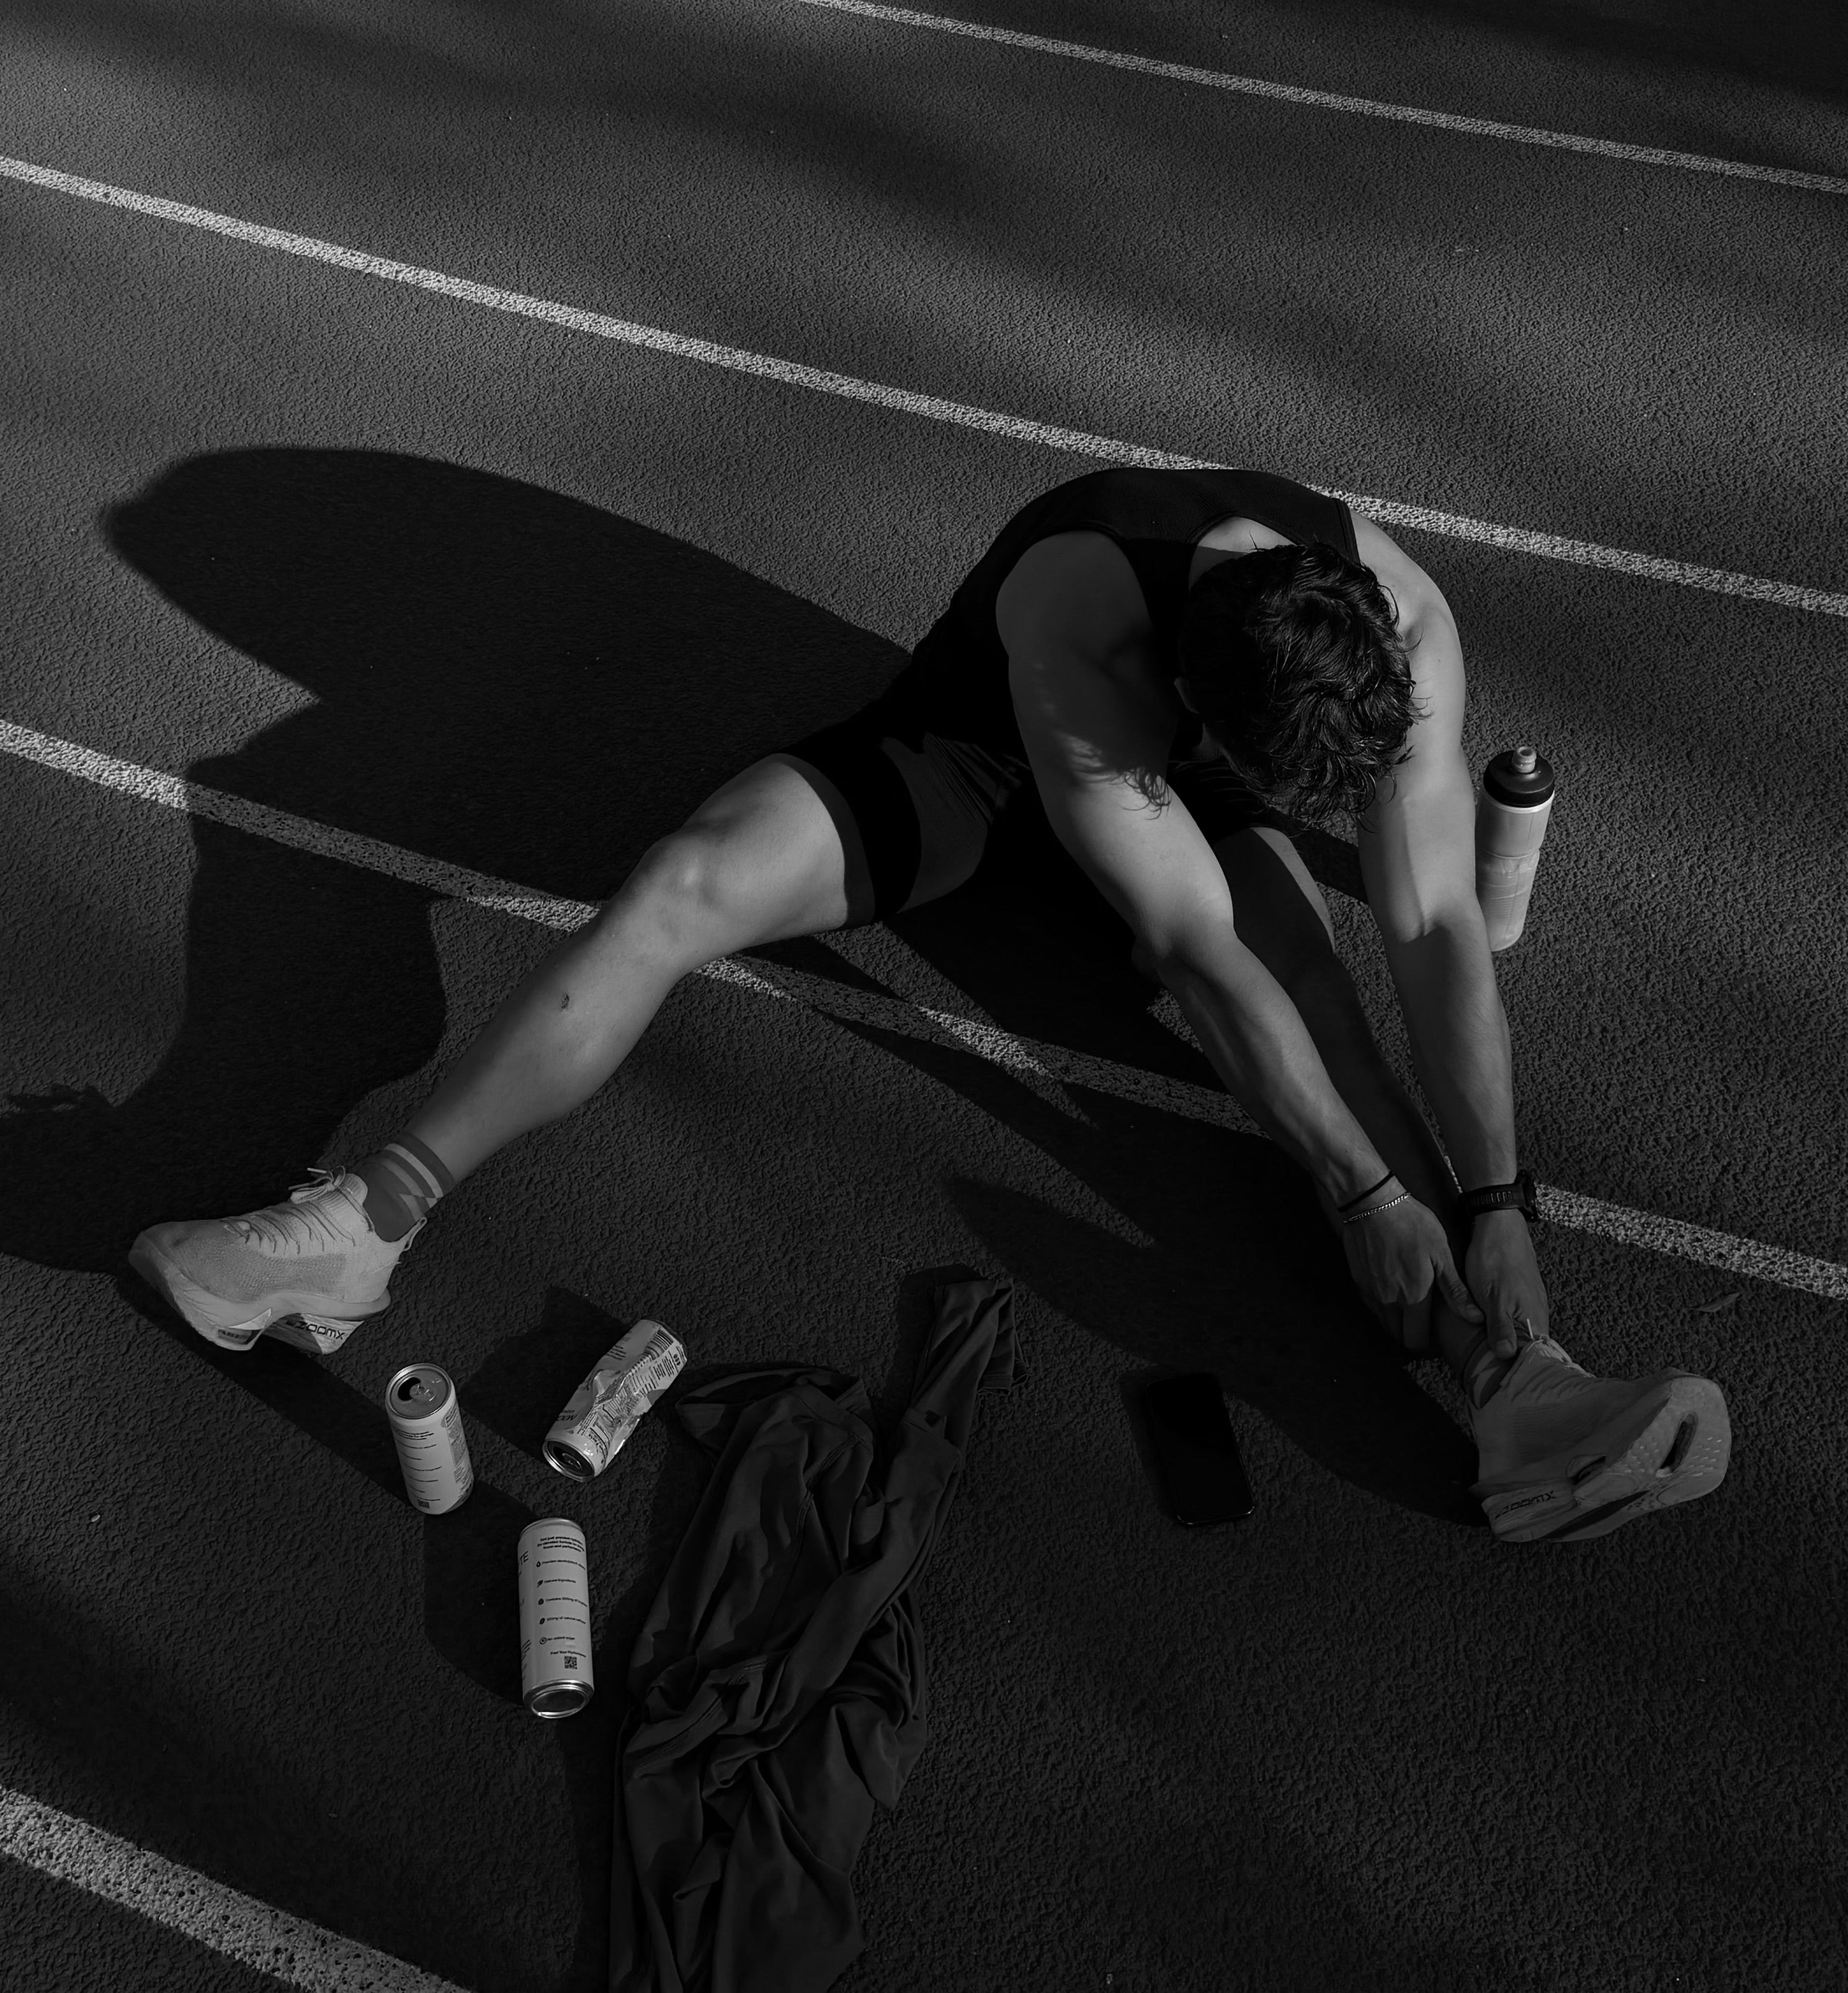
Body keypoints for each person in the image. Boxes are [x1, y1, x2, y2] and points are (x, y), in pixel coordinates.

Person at [129, 465, 1730, 1543]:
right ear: (1187, 699)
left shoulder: (1402, 625)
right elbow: (1198, 952)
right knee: (679, 883)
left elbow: (1436, 925)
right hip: (979, 757)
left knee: (1336, 988)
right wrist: (1368, 1192)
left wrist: (1496, 1199)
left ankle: (1517, 1381)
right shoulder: (1079, 604)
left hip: (1179, 782)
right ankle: (366, 1225)